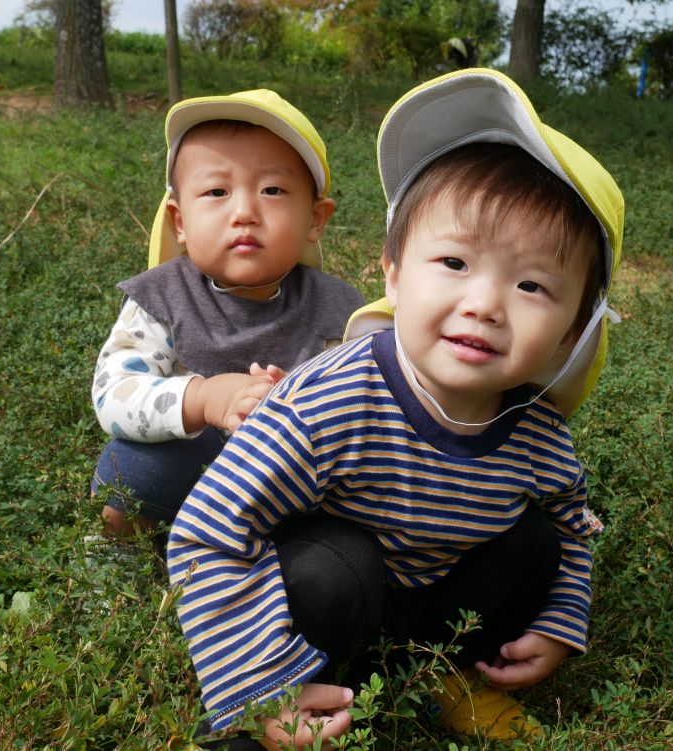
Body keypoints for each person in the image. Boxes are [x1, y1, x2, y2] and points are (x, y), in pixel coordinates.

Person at [169, 68, 624, 749]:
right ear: (392, 271)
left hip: (431, 602)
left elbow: (572, 519)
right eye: (453, 261)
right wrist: (263, 682)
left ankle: (428, 671)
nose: (484, 303)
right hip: (325, 598)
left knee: (536, 542)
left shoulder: (535, 431)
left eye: (531, 283)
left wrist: (561, 615)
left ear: (574, 330)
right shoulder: (327, 402)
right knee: (334, 568)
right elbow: (206, 532)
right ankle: (256, 715)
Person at [90, 89, 364, 545]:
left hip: (287, 482)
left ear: (315, 219)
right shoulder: (160, 298)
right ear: (179, 221)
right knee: (129, 469)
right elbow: (114, 394)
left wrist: (301, 406)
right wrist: (205, 399)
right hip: (192, 466)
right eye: (216, 192)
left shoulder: (340, 310)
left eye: (273, 190)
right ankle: (121, 553)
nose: (244, 213)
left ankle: (274, 560)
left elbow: (367, 400)